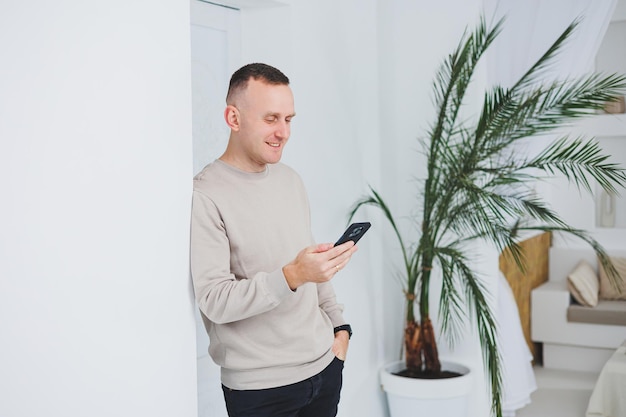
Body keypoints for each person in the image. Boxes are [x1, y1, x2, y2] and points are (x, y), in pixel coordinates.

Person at [190, 62, 358, 417]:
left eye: (289, 119)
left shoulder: (290, 180)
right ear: (233, 118)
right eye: (271, 119)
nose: (283, 132)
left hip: (323, 369)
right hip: (260, 392)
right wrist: (292, 275)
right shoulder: (206, 195)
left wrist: (340, 330)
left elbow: (313, 270)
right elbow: (215, 300)